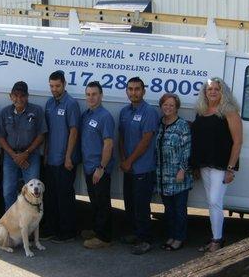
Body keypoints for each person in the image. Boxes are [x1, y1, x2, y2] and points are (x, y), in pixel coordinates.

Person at [190, 77, 243, 252]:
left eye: (216, 89)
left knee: (214, 201)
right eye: (209, 89)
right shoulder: (201, 111)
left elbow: (238, 142)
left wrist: (230, 168)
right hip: (204, 164)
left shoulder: (230, 112)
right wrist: (195, 166)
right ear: (205, 92)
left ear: (223, 92)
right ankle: (215, 238)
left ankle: (217, 240)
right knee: (212, 202)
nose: (212, 92)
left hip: (222, 165)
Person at [119, 77, 159, 255]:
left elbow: (146, 140)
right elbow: (121, 137)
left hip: (142, 168)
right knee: (130, 203)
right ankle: (135, 234)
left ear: (143, 91)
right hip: (128, 168)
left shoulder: (149, 112)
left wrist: (129, 161)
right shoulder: (124, 112)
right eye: (130, 89)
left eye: (137, 89)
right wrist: (123, 158)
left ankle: (145, 239)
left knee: (142, 205)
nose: (133, 92)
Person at [42, 70, 81, 243]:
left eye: (57, 86)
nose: (54, 89)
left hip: (65, 160)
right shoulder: (49, 104)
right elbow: (48, 132)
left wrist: (68, 157)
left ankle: (68, 232)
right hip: (51, 159)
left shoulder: (71, 104)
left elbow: (74, 131)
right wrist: (45, 154)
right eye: (51, 86)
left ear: (64, 84)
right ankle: (52, 229)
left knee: (64, 196)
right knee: (50, 196)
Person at [0, 81, 47, 211]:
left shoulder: (36, 111)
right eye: (15, 95)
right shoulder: (5, 112)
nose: (19, 99)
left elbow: (41, 135)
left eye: (22, 95)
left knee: (33, 193)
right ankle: (12, 224)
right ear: (10, 96)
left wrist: (26, 154)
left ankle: (30, 224)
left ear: (27, 96)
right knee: (8, 191)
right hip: (10, 157)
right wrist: (15, 156)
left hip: (31, 156)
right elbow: (0, 137)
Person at [80, 81, 115, 249]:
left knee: (102, 203)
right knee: (94, 202)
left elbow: (108, 144)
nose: (91, 97)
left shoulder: (105, 116)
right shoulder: (86, 115)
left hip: (99, 169)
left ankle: (104, 237)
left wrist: (101, 168)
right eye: (88, 94)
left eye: (94, 94)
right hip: (88, 167)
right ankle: (96, 230)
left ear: (101, 96)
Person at [155, 94, 193, 251]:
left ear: (177, 107)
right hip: (163, 176)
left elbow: (187, 150)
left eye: (171, 105)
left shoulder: (182, 125)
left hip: (178, 175)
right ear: (161, 106)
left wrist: (182, 170)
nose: (168, 107)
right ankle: (171, 236)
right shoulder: (160, 123)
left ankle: (179, 238)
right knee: (168, 210)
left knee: (179, 210)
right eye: (165, 104)